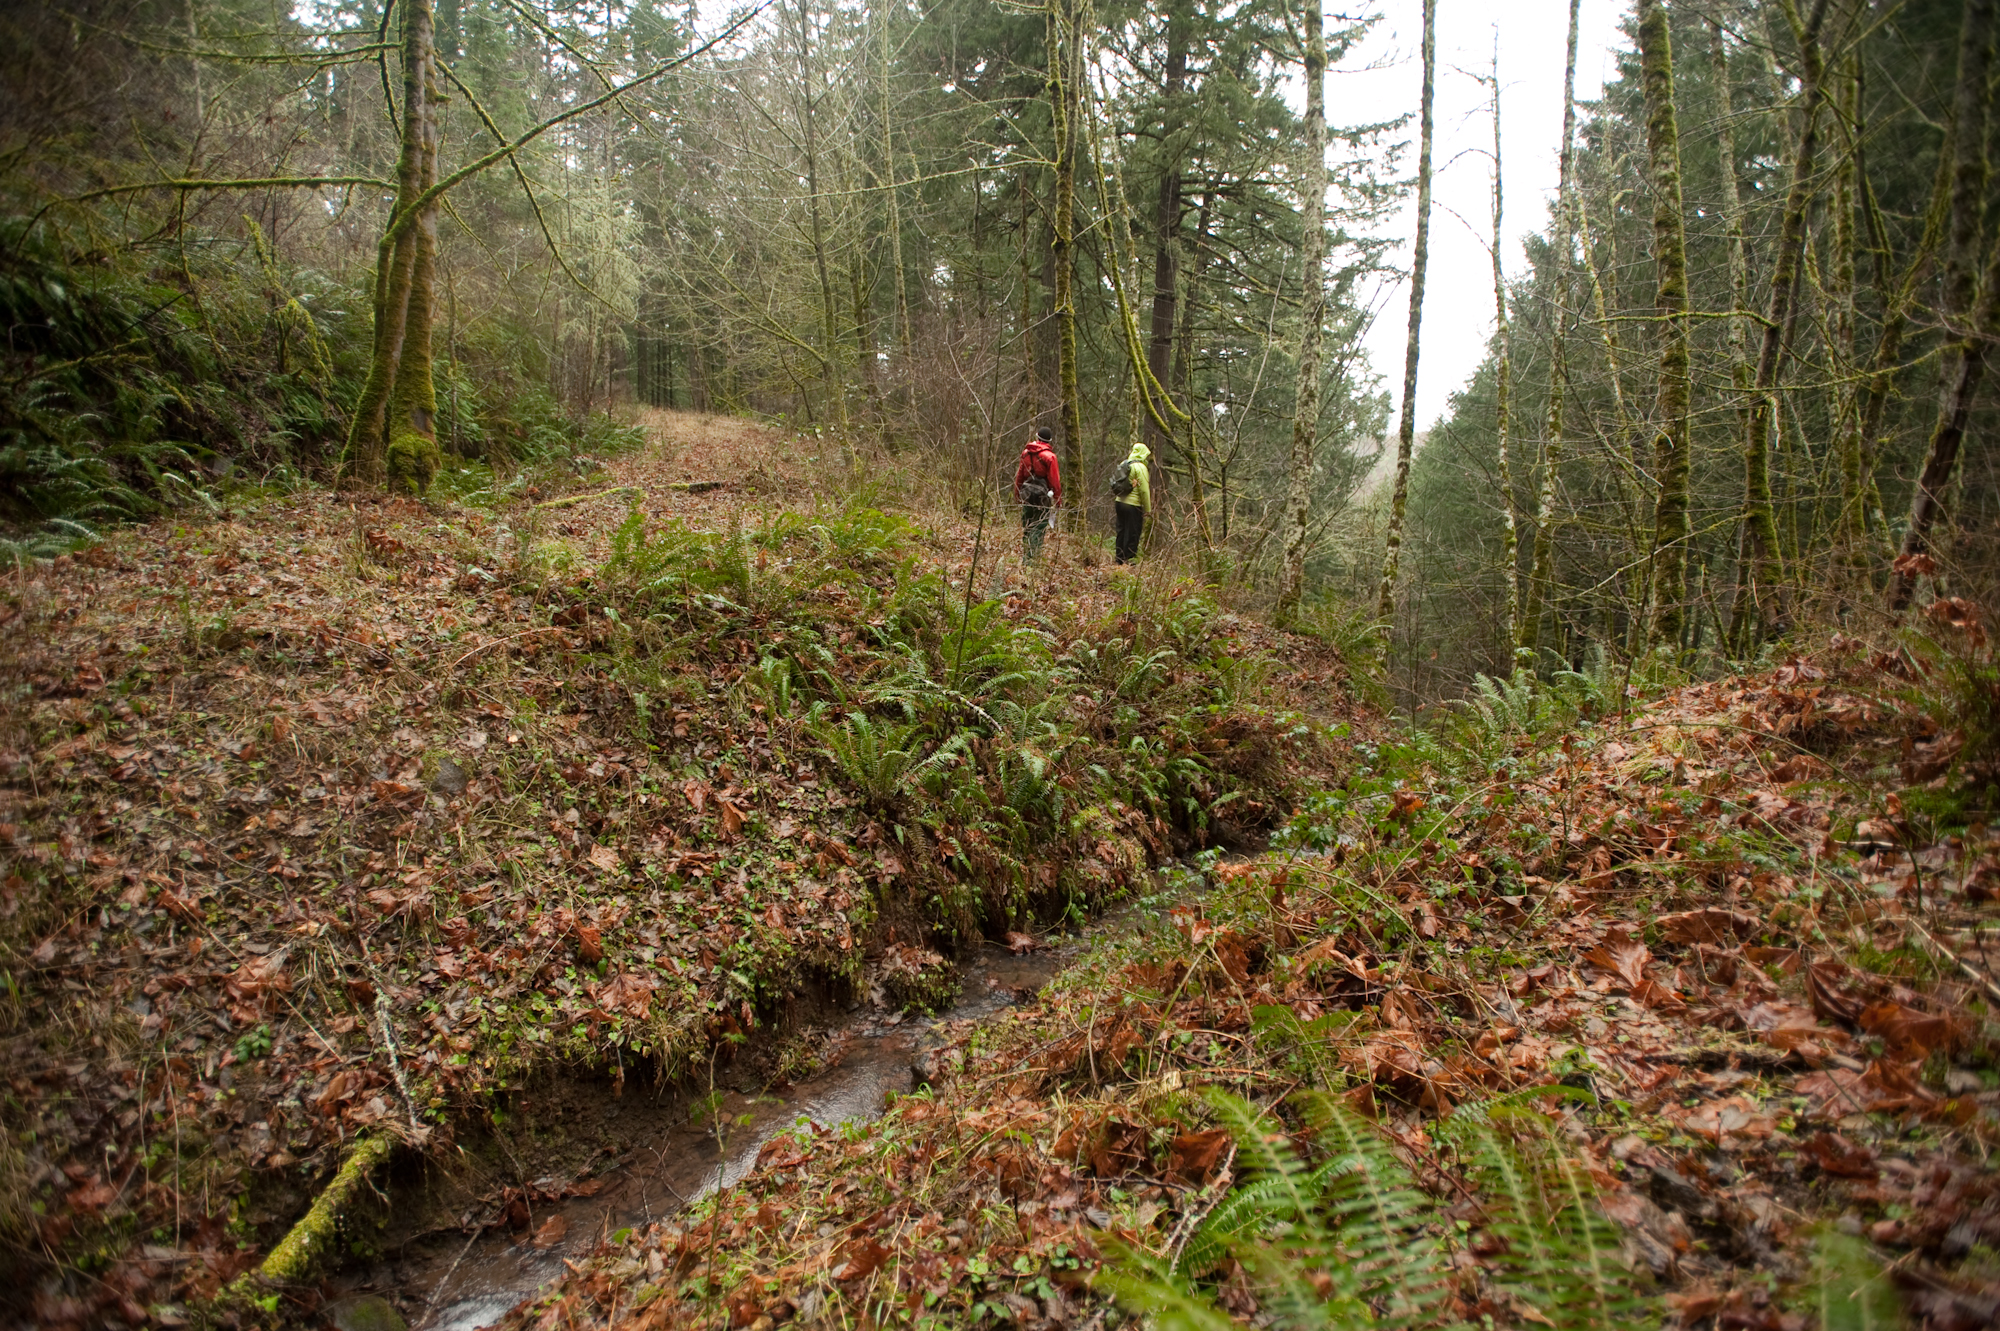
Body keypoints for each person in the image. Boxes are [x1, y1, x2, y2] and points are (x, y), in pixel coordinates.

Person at [1013, 426, 1062, 560]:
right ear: (1049, 441)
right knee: (1039, 526)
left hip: (1027, 494)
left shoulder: (1026, 453)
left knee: (1028, 525)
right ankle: (1033, 558)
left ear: (1037, 437)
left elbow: (1020, 477)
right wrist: (1058, 500)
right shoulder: (1050, 457)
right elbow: (1055, 481)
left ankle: (1026, 556)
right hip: (1043, 497)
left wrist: (1017, 494)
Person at [1111, 441, 1151, 563]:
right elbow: (1144, 490)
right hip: (1133, 505)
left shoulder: (1124, 464)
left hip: (1119, 502)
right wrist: (1147, 509)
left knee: (1121, 531)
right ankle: (1129, 561)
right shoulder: (1141, 467)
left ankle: (1119, 560)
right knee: (1132, 533)